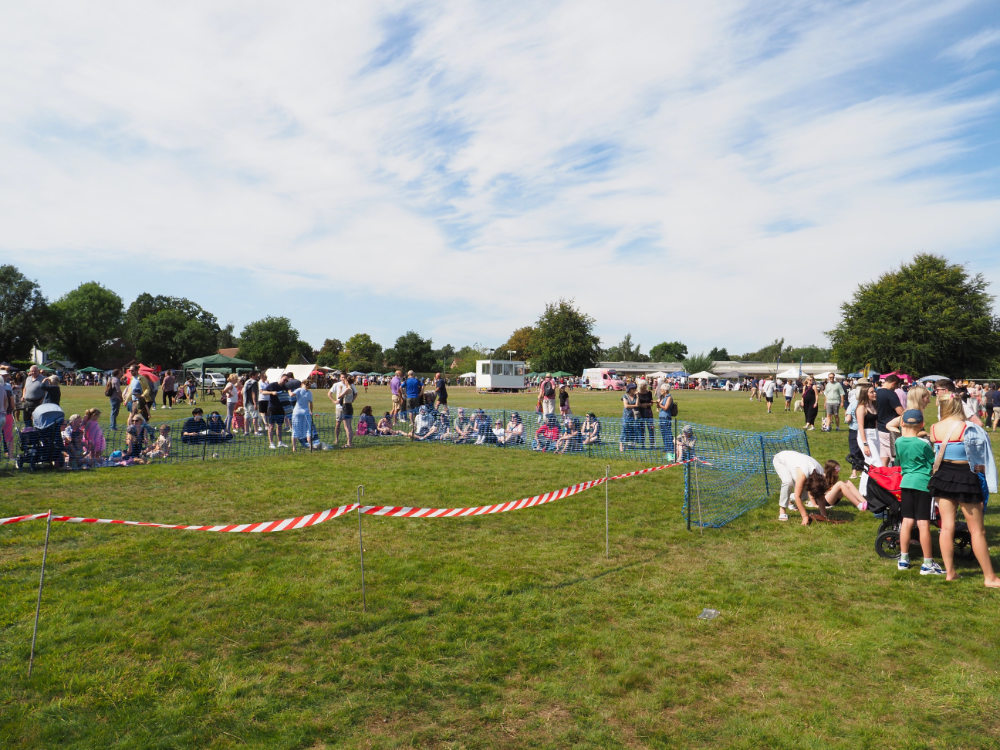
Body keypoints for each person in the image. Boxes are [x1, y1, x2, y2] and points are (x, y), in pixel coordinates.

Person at [927, 395, 1000, 586]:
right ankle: (989, 577)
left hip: (942, 477)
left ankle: (950, 572)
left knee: (946, 527)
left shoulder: (934, 428)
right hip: (965, 477)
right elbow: (983, 458)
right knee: (977, 531)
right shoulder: (969, 428)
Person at [894, 410, 943, 575]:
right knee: (923, 523)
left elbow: (898, 461)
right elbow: (933, 463)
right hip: (922, 484)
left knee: (906, 521)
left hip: (905, 482)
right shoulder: (923, 444)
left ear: (902, 424)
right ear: (922, 425)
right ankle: (928, 563)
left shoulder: (899, 442)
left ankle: (903, 559)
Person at [772, 450, 867, 524]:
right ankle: (782, 510)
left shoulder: (820, 473)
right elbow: (797, 496)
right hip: (781, 459)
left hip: (798, 461)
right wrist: (805, 516)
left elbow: (820, 496)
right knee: (788, 482)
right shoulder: (802, 475)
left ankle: (788, 499)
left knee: (803, 497)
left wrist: (824, 516)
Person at [875, 374, 904, 464]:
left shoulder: (876, 393)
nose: (895, 389)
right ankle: (894, 475)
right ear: (893, 383)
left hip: (879, 427)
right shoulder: (891, 394)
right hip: (890, 429)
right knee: (894, 455)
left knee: (884, 456)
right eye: (896, 386)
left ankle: (883, 475)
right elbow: (900, 411)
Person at [328, 372, 356, 448]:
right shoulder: (349, 388)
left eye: (345, 379)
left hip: (346, 407)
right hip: (348, 407)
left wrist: (340, 390)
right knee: (348, 426)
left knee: (346, 427)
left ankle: (349, 443)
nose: (344, 380)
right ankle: (349, 442)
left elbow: (340, 396)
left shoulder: (348, 389)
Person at [290, 380, 314, 451]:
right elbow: (311, 403)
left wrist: (288, 390)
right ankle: (310, 446)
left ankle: (294, 447)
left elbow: (291, 395)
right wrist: (311, 411)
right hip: (306, 412)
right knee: (308, 430)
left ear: (302, 384)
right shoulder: (309, 392)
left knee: (295, 429)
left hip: (297, 412)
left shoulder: (299, 389)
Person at [620, 382, 639, 451]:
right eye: (633, 388)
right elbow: (626, 406)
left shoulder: (636, 396)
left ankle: (630, 445)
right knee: (624, 430)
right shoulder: (625, 396)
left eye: (635, 388)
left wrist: (637, 396)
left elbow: (637, 404)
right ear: (630, 389)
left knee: (632, 430)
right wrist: (634, 406)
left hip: (634, 416)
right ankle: (621, 446)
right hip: (626, 416)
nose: (635, 390)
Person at [635, 381, 655, 448]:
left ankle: (652, 444)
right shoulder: (637, 393)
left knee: (651, 428)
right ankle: (642, 444)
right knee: (641, 428)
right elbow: (637, 404)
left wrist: (647, 404)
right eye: (643, 385)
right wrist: (642, 405)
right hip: (640, 413)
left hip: (648, 412)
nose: (644, 387)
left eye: (645, 385)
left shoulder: (649, 393)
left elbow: (651, 402)